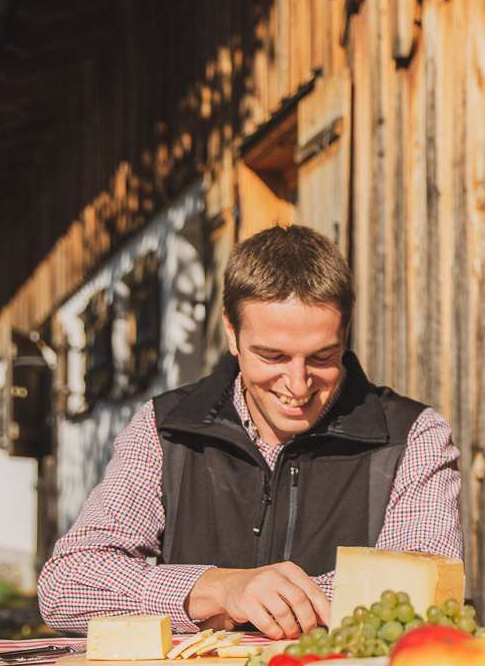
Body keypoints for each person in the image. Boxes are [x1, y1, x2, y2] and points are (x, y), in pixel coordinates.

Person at [38, 225, 463, 639]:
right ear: (231, 334)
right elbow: (66, 584)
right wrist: (219, 587)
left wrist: (258, 601)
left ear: (345, 334)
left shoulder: (412, 436)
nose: (297, 384)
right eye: (272, 356)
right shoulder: (165, 428)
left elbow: (419, 587)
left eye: (322, 356)